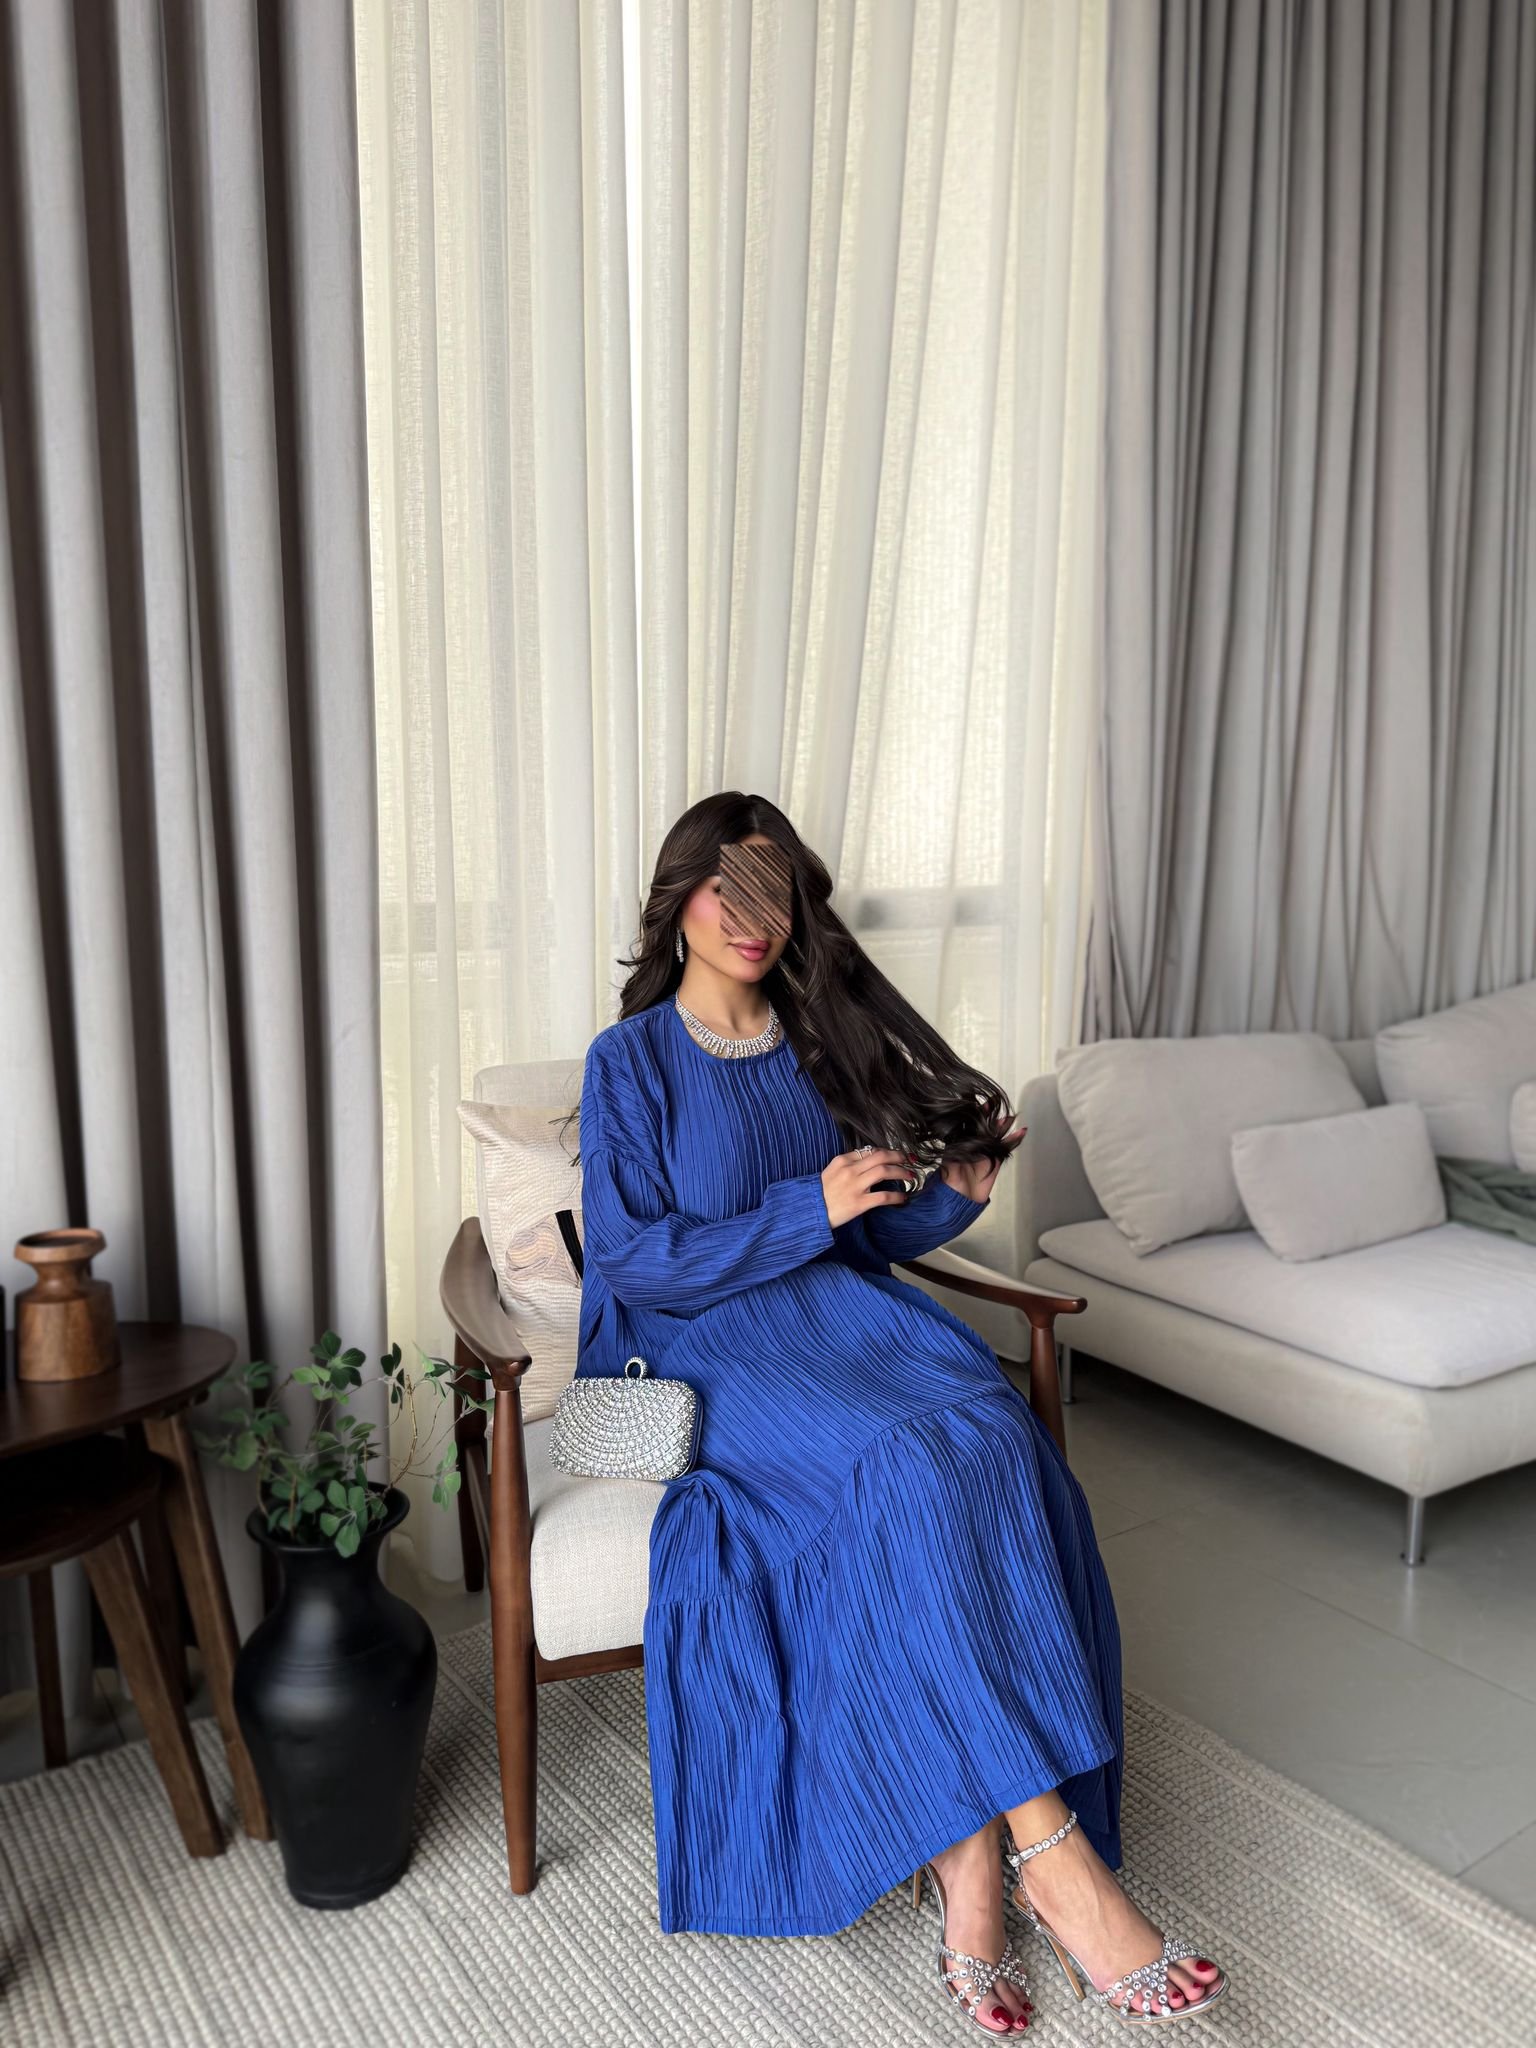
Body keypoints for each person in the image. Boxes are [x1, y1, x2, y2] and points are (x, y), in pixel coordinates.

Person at [564, 792, 1227, 2031]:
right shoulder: (630, 1060)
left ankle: (972, 1867)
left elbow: (863, 1235)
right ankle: (1055, 1864)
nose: (753, 917)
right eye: (727, 888)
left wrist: (954, 1193)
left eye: (775, 892)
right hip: (715, 1346)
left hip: (842, 1318)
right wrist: (805, 1207)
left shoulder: (818, 1042)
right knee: (908, 1462)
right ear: (678, 899)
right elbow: (637, 1259)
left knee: (985, 1432)